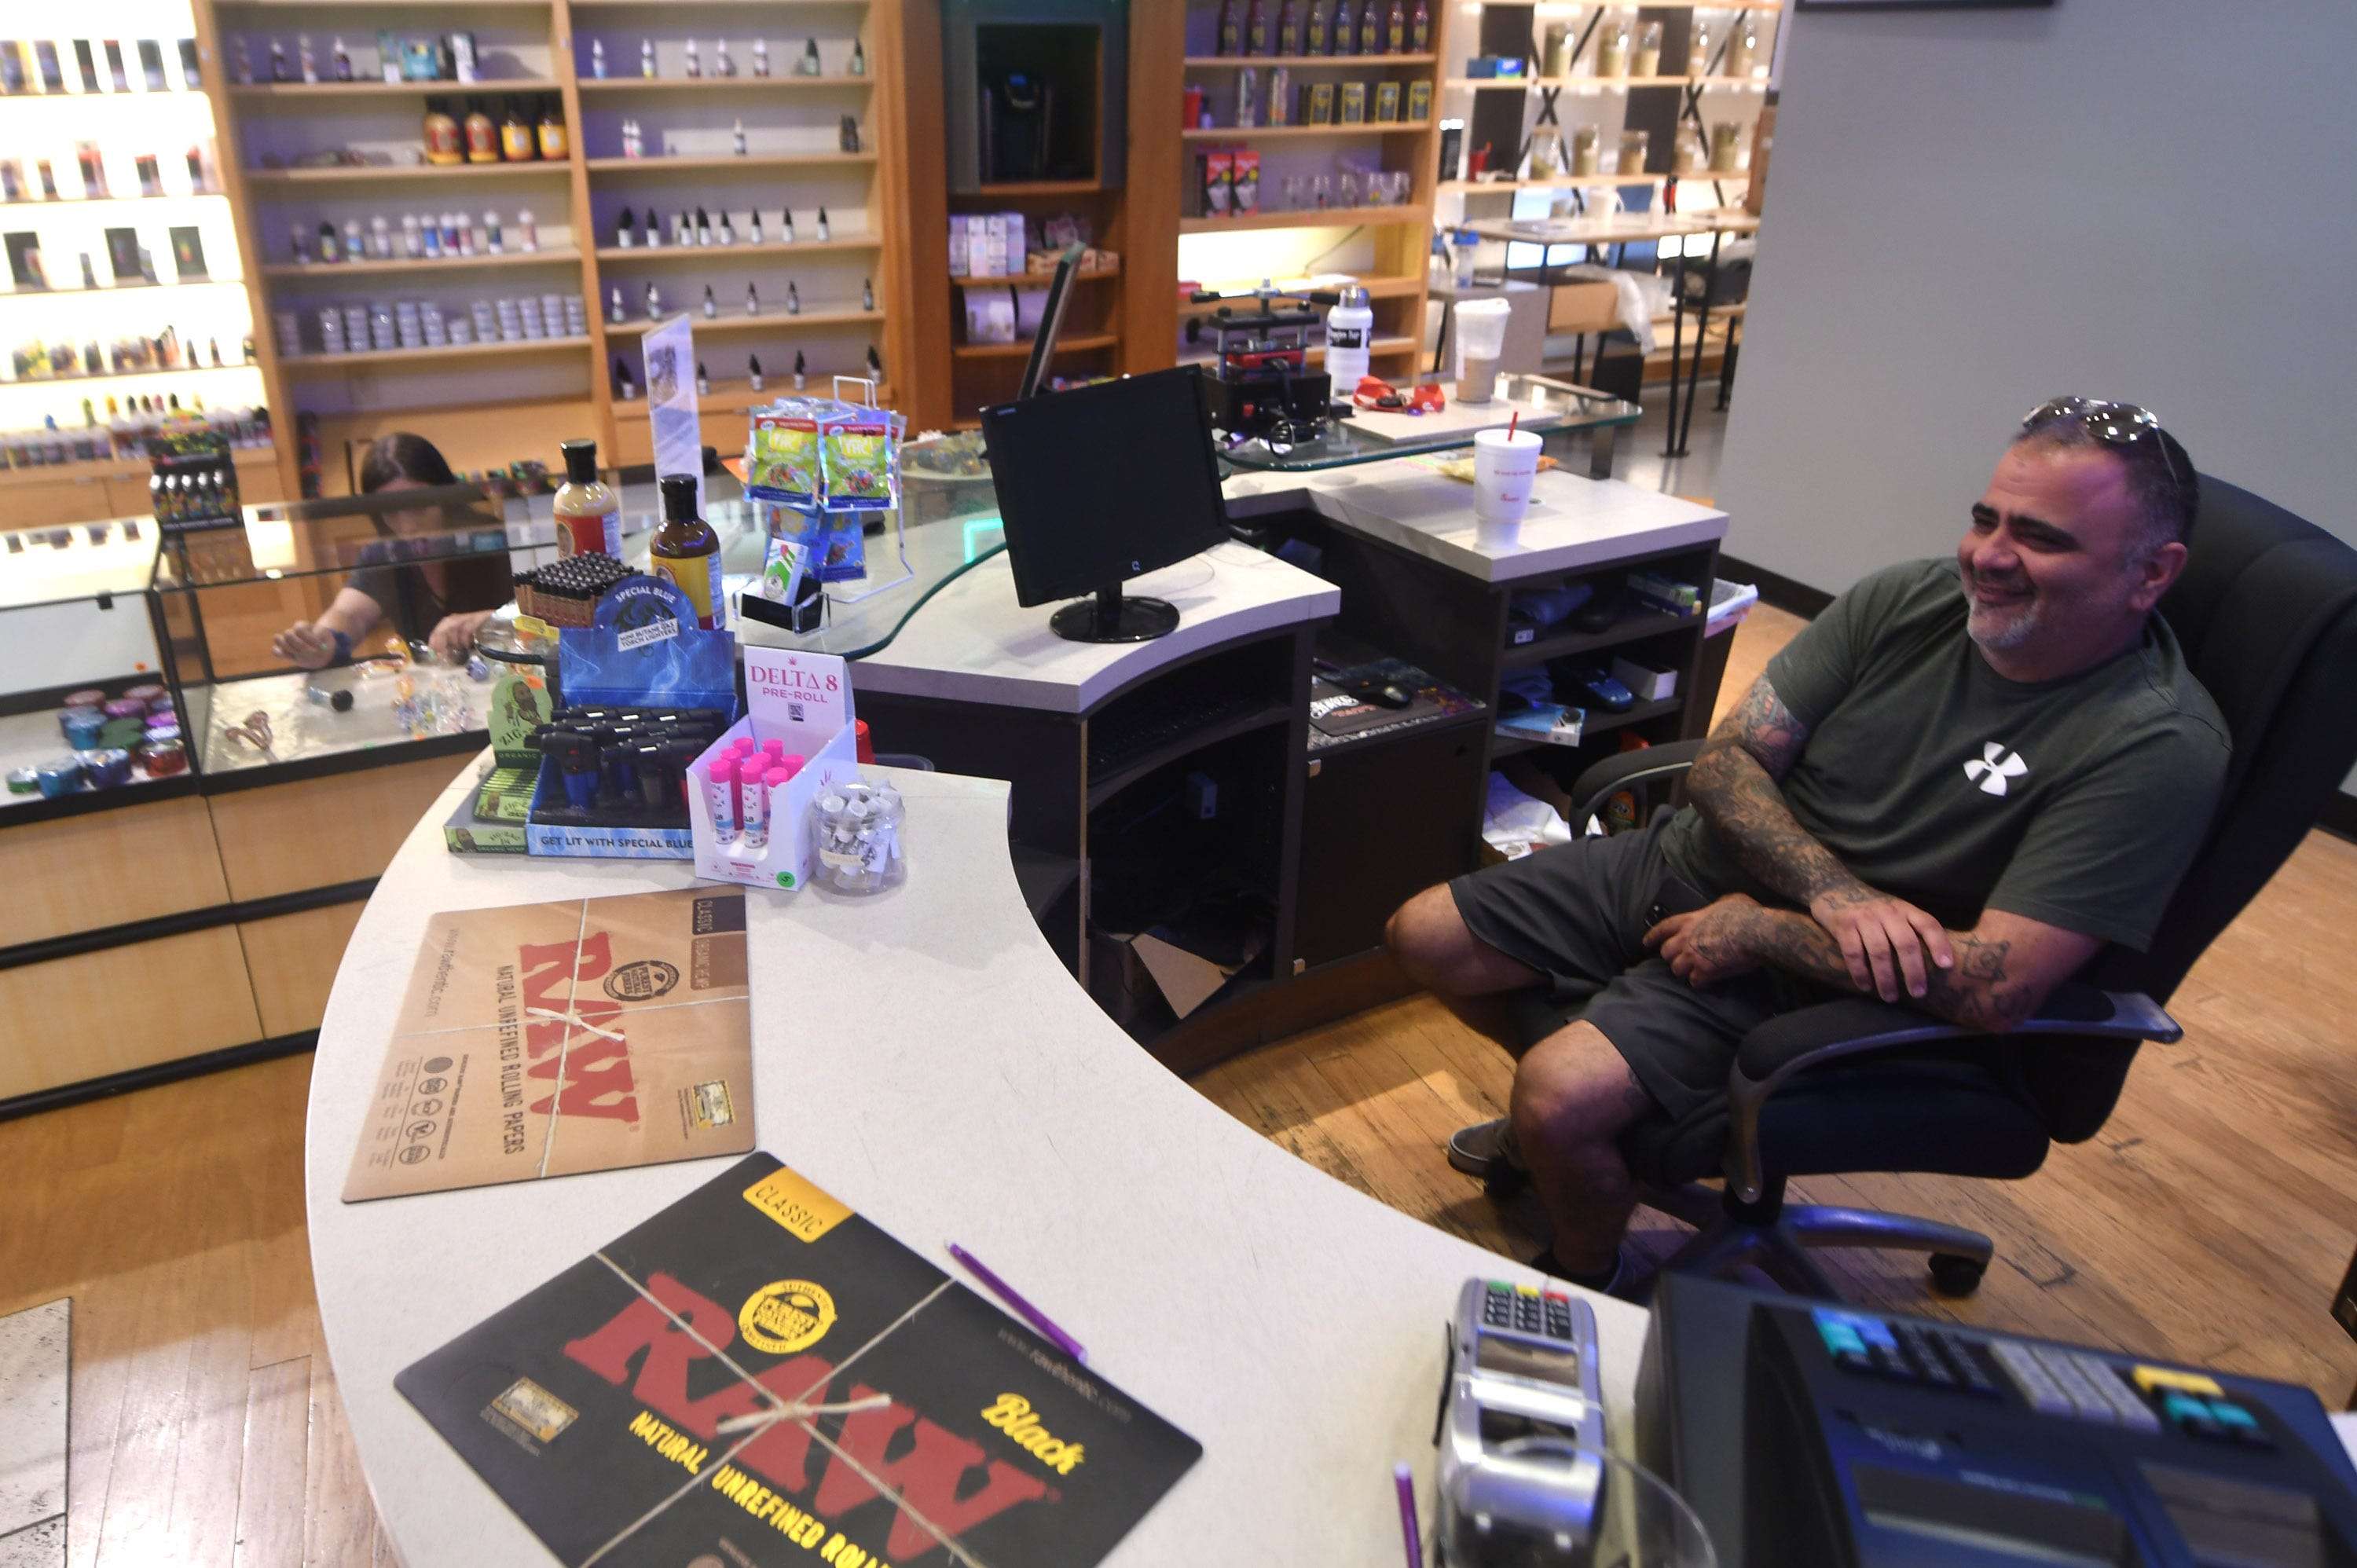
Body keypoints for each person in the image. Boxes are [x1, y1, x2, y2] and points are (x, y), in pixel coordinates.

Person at [1384, 397, 2231, 1294]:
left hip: (1807, 977)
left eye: (2043, 539)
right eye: (1987, 519)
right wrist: (1833, 889)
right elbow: (1726, 763)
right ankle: (1591, 1144)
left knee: (1560, 1095)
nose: (1989, 556)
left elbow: (1996, 984)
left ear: (2152, 573)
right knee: (1422, 936)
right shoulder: (1909, 598)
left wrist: (1764, 930)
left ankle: (1587, 1267)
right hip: (1691, 868)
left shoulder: (2153, 743)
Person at [272, 433, 511, 668]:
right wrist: (324, 641)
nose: (407, 526)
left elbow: (542, 615)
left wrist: (491, 620)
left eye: (419, 506)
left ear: (445, 497)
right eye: (391, 511)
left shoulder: (493, 538)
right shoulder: (385, 552)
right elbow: (350, 614)